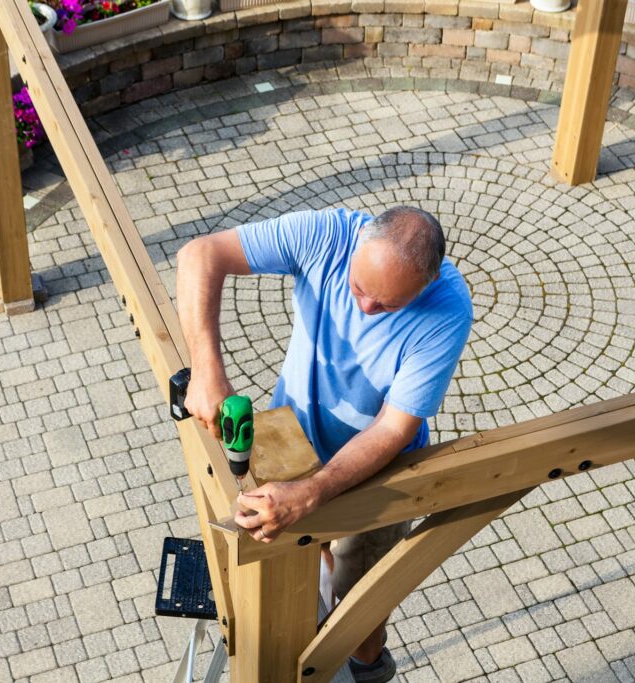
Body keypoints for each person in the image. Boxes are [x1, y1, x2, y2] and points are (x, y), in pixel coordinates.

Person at [176, 205, 473, 681]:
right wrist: (207, 370)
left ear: (428, 283)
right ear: (358, 246)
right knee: (312, 554)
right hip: (293, 441)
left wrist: (312, 492)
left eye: (389, 305)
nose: (366, 309)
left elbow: (391, 430)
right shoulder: (329, 235)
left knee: (361, 603)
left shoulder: (448, 309)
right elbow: (199, 254)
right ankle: (324, 573)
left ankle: (369, 666)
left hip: (381, 472)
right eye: (359, 288)